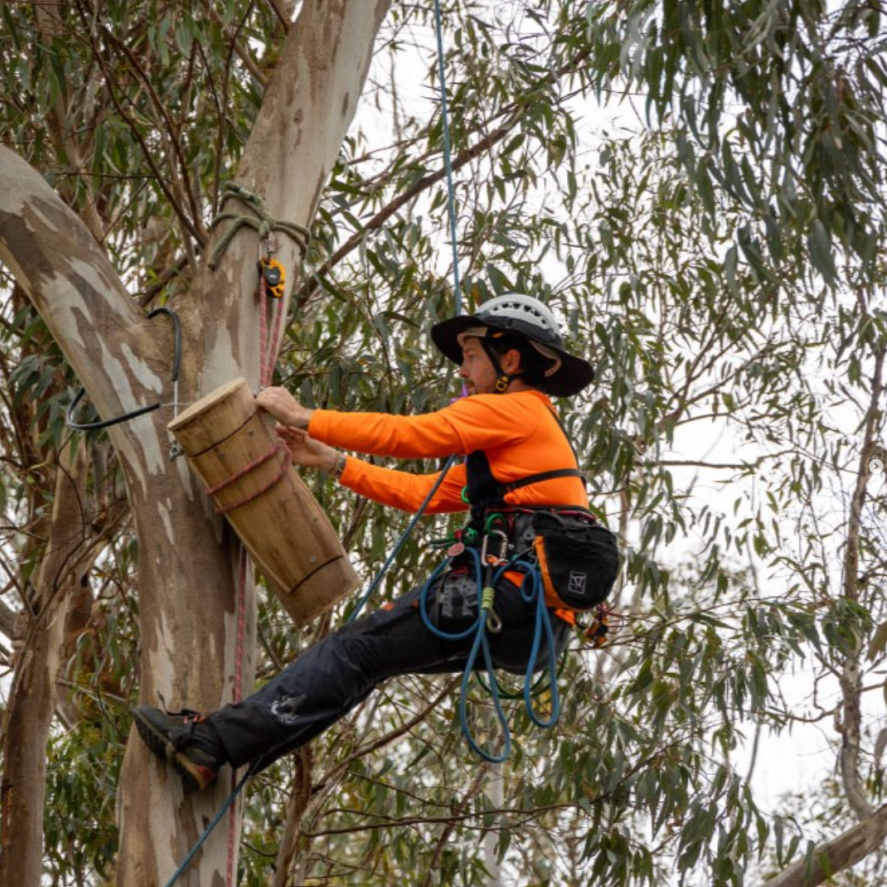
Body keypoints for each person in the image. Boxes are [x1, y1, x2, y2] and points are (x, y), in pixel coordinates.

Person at [134, 292, 596, 791]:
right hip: (535, 627)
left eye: (470, 356)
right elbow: (424, 492)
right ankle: (230, 753)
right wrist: (332, 461)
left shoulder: (518, 411)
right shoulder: (519, 448)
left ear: (510, 360)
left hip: (506, 599)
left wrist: (304, 415)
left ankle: (213, 742)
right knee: (367, 662)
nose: (462, 372)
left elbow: (417, 434)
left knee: (353, 650)